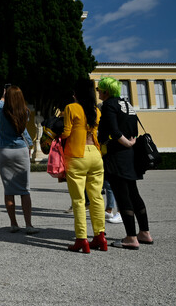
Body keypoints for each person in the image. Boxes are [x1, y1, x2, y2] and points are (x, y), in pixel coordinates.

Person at [97, 76, 153, 249]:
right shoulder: (126, 104)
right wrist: (131, 142)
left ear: (106, 91)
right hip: (130, 155)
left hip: (117, 154)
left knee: (123, 195)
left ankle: (130, 237)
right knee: (134, 193)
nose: (98, 92)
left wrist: (125, 142)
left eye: (99, 89)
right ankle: (144, 232)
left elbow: (114, 130)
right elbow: (134, 129)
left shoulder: (109, 105)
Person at [61, 79, 107, 253]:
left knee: (79, 200)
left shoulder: (71, 108)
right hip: (95, 155)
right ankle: (100, 236)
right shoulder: (96, 110)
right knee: (96, 198)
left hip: (76, 155)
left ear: (76, 94)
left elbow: (66, 132)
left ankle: (82, 239)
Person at [0, 85, 38, 234]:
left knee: (9, 189)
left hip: (4, 150)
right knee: (25, 190)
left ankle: (13, 223)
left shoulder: (1, 111)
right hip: (21, 150)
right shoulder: (24, 112)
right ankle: (29, 225)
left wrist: (2, 97)